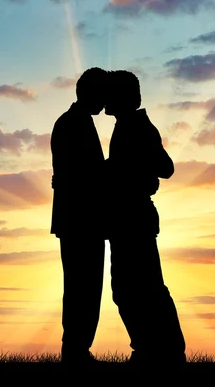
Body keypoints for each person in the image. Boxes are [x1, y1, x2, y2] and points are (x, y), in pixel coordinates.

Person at [103, 70, 186, 366]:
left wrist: (121, 169)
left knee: (139, 288)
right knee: (133, 289)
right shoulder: (129, 125)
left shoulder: (137, 127)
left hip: (133, 218)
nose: (105, 100)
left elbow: (166, 168)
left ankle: (162, 351)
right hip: (128, 218)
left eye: (110, 93)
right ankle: (154, 350)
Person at [50, 67, 108, 365]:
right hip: (79, 219)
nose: (105, 100)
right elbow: (77, 175)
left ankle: (77, 349)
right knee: (81, 287)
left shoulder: (76, 122)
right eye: (101, 94)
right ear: (88, 94)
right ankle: (74, 350)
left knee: (85, 286)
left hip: (81, 219)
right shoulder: (72, 123)